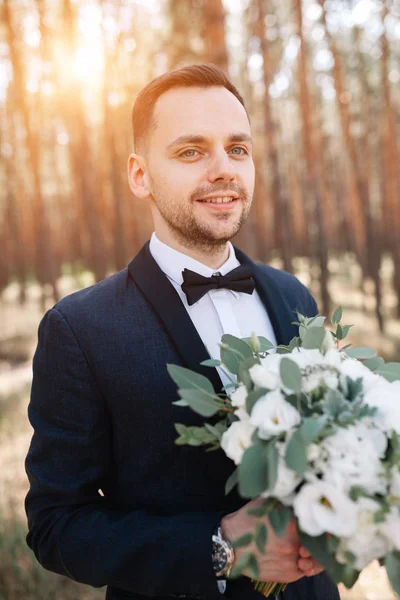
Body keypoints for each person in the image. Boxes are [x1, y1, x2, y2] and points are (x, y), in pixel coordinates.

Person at [25, 64, 339, 600]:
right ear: (140, 174)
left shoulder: (295, 298)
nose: (223, 170)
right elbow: (57, 526)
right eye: (191, 151)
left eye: (237, 149)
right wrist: (220, 548)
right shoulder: (79, 329)